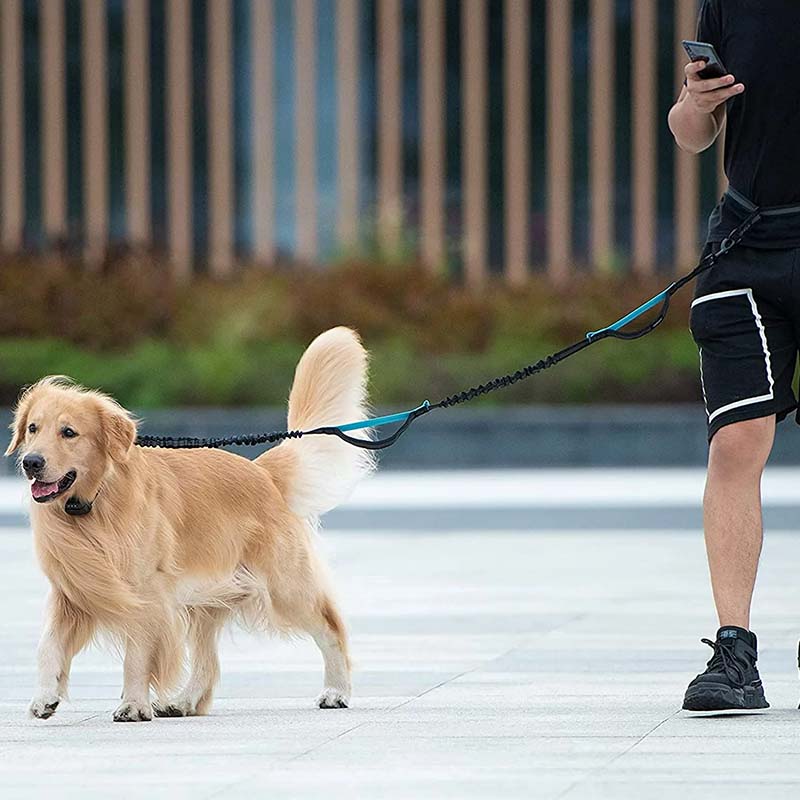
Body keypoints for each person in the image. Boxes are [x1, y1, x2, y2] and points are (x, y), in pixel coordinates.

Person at [668, 0, 800, 712]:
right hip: (744, 246)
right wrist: (695, 100)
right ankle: (734, 652)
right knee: (737, 442)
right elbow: (691, 133)